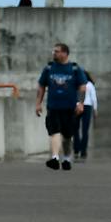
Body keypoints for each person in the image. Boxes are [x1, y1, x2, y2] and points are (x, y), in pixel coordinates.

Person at [35, 42, 86, 171]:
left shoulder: (74, 68)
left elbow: (82, 87)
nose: (54, 53)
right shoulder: (49, 68)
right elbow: (41, 86)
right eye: (54, 51)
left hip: (69, 107)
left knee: (68, 135)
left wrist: (80, 103)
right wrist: (38, 103)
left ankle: (67, 158)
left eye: (57, 51)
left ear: (65, 53)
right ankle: (55, 157)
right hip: (53, 106)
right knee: (54, 132)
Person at [72, 70, 98, 161]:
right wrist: (95, 109)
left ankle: (76, 149)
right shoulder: (90, 85)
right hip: (87, 106)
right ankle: (83, 151)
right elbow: (93, 98)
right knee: (85, 130)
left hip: (77, 105)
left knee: (75, 129)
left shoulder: (75, 84)